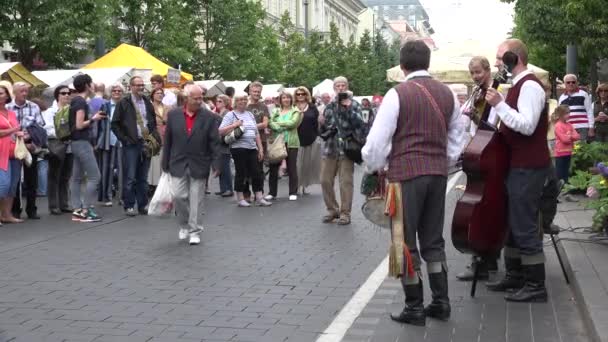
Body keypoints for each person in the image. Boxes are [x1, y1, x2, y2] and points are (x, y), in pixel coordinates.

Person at [362, 40, 464, 326]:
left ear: (402, 65)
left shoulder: (398, 94)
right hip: (437, 175)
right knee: (433, 239)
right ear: (428, 63)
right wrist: (444, 162)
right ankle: (441, 302)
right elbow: (458, 136)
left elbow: (376, 143)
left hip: (406, 175)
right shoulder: (448, 94)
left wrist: (374, 167)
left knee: (404, 241)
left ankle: (415, 306)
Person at [484, 39, 551, 303]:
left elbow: (526, 125)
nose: (497, 62)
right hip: (519, 165)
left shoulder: (530, 86)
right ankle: (516, 275)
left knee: (524, 225)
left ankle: (536, 285)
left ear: (514, 58)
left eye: (500, 57)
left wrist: (500, 104)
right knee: (513, 223)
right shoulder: (519, 85)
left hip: (529, 166)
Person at [454, 57, 500, 282]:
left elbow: (493, 124)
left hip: (488, 153)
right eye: (472, 73)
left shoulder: (494, 91)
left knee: (485, 207)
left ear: (488, 70)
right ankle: (485, 257)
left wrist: (475, 117)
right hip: (476, 151)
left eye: (478, 72)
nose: (475, 76)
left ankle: (483, 258)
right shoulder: (477, 93)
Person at [162, 84, 220, 246]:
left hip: (200, 162)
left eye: (201, 97)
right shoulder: (173, 115)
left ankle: (195, 230)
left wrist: (217, 164)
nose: (199, 101)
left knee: (196, 199)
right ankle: (184, 225)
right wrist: (165, 162)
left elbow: (214, 142)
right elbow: (168, 141)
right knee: (178, 196)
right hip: (177, 162)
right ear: (187, 98)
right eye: (196, 98)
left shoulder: (208, 116)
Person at [319, 77, 367, 225]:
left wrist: (348, 109)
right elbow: (325, 126)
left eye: (343, 85)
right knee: (324, 180)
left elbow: (361, 125)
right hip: (330, 148)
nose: (340, 88)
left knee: (345, 182)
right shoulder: (329, 106)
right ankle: (332, 210)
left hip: (347, 149)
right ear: (334, 88)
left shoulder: (354, 105)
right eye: (337, 85)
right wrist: (321, 124)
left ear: (347, 87)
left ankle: (345, 213)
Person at [111, 76, 159, 216]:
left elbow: (152, 121)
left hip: (145, 143)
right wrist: (124, 139)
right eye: (137, 85)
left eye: (142, 85)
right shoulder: (124, 102)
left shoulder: (147, 102)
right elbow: (114, 124)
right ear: (130, 87)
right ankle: (129, 205)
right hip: (131, 144)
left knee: (143, 177)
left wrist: (153, 136)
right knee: (130, 176)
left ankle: (142, 205)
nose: (140, 87)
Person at [218, 92, 271, 207]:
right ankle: (241, 198)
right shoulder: (230, 115)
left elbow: (256, 133)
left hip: (252, 147)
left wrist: (260, 149)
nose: (242, 101)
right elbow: (220, 131)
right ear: (235, 102)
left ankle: (259, 197)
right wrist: (234, 125)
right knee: (241, 173)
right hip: (238, 148)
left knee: (257, 173)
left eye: (244, 100)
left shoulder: (250, 114)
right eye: (239, 100)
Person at [69, 74, 105, 223]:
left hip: (75, 142)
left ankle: (77, 209)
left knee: (76, 177)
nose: (94, 86)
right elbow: (79, 124)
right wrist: (93, 119)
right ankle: (85, 209)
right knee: (95, 177)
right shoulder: (81, 102)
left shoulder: (75, 101)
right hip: (82, 142)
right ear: (87, 85)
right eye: (91, 83)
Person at [7, 82, 44, 220]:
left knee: (31, 178)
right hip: (13, 144)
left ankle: (31, 209)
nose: (24, 94)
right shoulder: (7, 107)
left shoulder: (33, 106)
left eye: (26, 91)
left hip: (29, 144)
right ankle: (15, 209)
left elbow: (40, 126)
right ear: (15, 93)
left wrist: (30, 138)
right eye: (21, 91)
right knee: (15, 179)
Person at [43, 85, 73, 215]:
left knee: (66, 176)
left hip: (70, 147)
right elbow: (48, 129)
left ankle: (64, 203)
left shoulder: (72, 110)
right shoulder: (50, 111)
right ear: (57, 95)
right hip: (57, 145)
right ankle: (53, 205)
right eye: (63, 93)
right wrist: (62, 134)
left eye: (68, 93)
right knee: (54, 176)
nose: (67, 95)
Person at [266, 91, 302, 201]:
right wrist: (277, 126)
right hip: (277, 142)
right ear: (280, 100)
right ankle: (272, 193)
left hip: (291, 142)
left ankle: (292, 192)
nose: (286, 100)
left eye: (288, 98)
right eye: (284, 98)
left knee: (291, 168)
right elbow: (270, 122)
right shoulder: (276, 111)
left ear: (291, 99)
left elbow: (292, 124)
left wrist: (278, 124)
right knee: (273, 168)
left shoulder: (296, 111)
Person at [97, 83, 124, 206]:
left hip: (122, 141)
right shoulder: (105, 105)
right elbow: (99, 125)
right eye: (114, 91)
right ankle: (107, 197)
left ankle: (122, 197)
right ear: (110, 92)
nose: (117, 93)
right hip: (108, 140)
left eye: (119, 91)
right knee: (107, 168)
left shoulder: (126, 105)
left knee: (122, 170)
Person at [0, 85, 24, 224]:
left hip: (15, 151)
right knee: (3, 184)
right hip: (1, 152)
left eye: (1, 93)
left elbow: (16, 130)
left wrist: (20, 134)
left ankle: (6, 214)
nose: (0, 96)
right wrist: (13, 130)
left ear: (7, 96)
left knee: (12, 185)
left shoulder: (11, 113)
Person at [244, 82, 270, 200]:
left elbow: (265, 124)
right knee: (245, 169)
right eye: (254, 91)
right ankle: (246, 194)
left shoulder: (263, 107)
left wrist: (249, 126)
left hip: (261, 141)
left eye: (258, 92)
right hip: (245, 141)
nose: (256, 94)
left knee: (258, 169)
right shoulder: (244, 105)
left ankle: (259, 192)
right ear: (250, 91)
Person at [295, 86, 321, 195]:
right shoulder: (292, 107)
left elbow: (316, 123)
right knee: (297, 165)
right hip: (295, 140)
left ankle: (304, 186)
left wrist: (317, 136)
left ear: (307, 95)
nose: (300, 96)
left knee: (307, 165)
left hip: (311, 139)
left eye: (303, 94)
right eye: (298, 94)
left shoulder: (312, 107)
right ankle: (296, 187)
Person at [559, 74, 594, 141]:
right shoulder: (562, 97)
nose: (571, 84)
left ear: (577, 83)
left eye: (573, 82)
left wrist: (591, 128)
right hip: (568, 128)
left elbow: (589, 111)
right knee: (570, 149)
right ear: (564, 84)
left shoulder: (583, 94)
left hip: (583, 128)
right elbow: (560, 115)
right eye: (568, 82)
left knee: (582, 149)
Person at [148, 87, 169, 189]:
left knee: (162, 160)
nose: (160, 95)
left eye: (161, 93)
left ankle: (161, 184)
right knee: (154, 161)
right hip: (153, 136)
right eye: (157, 93)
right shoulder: (149, 106)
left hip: (165, 136)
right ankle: (152, 184)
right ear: (153, 95)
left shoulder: (167, 107)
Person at [553, 105, 580, 183]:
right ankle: (558, 190)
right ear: (560, 115)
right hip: (560, 153)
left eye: (569, 113)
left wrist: (569, 136)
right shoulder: (558, 125)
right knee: (559, 173)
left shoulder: (569, 125)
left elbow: (577, 136)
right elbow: (564, 140)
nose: (569, 115)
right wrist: (571, 136)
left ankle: (565, 188)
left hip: (568, 152)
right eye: (566, 113)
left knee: (566, 172)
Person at [214, 95, 233, 197]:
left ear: (225, 102)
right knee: (220, 165)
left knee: (225, 166)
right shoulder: (219, 112)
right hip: (219, 142)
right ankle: (223, 188)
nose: (217, 103)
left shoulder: (227, 113)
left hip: (225, 141)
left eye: (220, 101)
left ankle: (229, 188)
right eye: (217, 101)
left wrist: (215, 116)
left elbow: (227, 126)